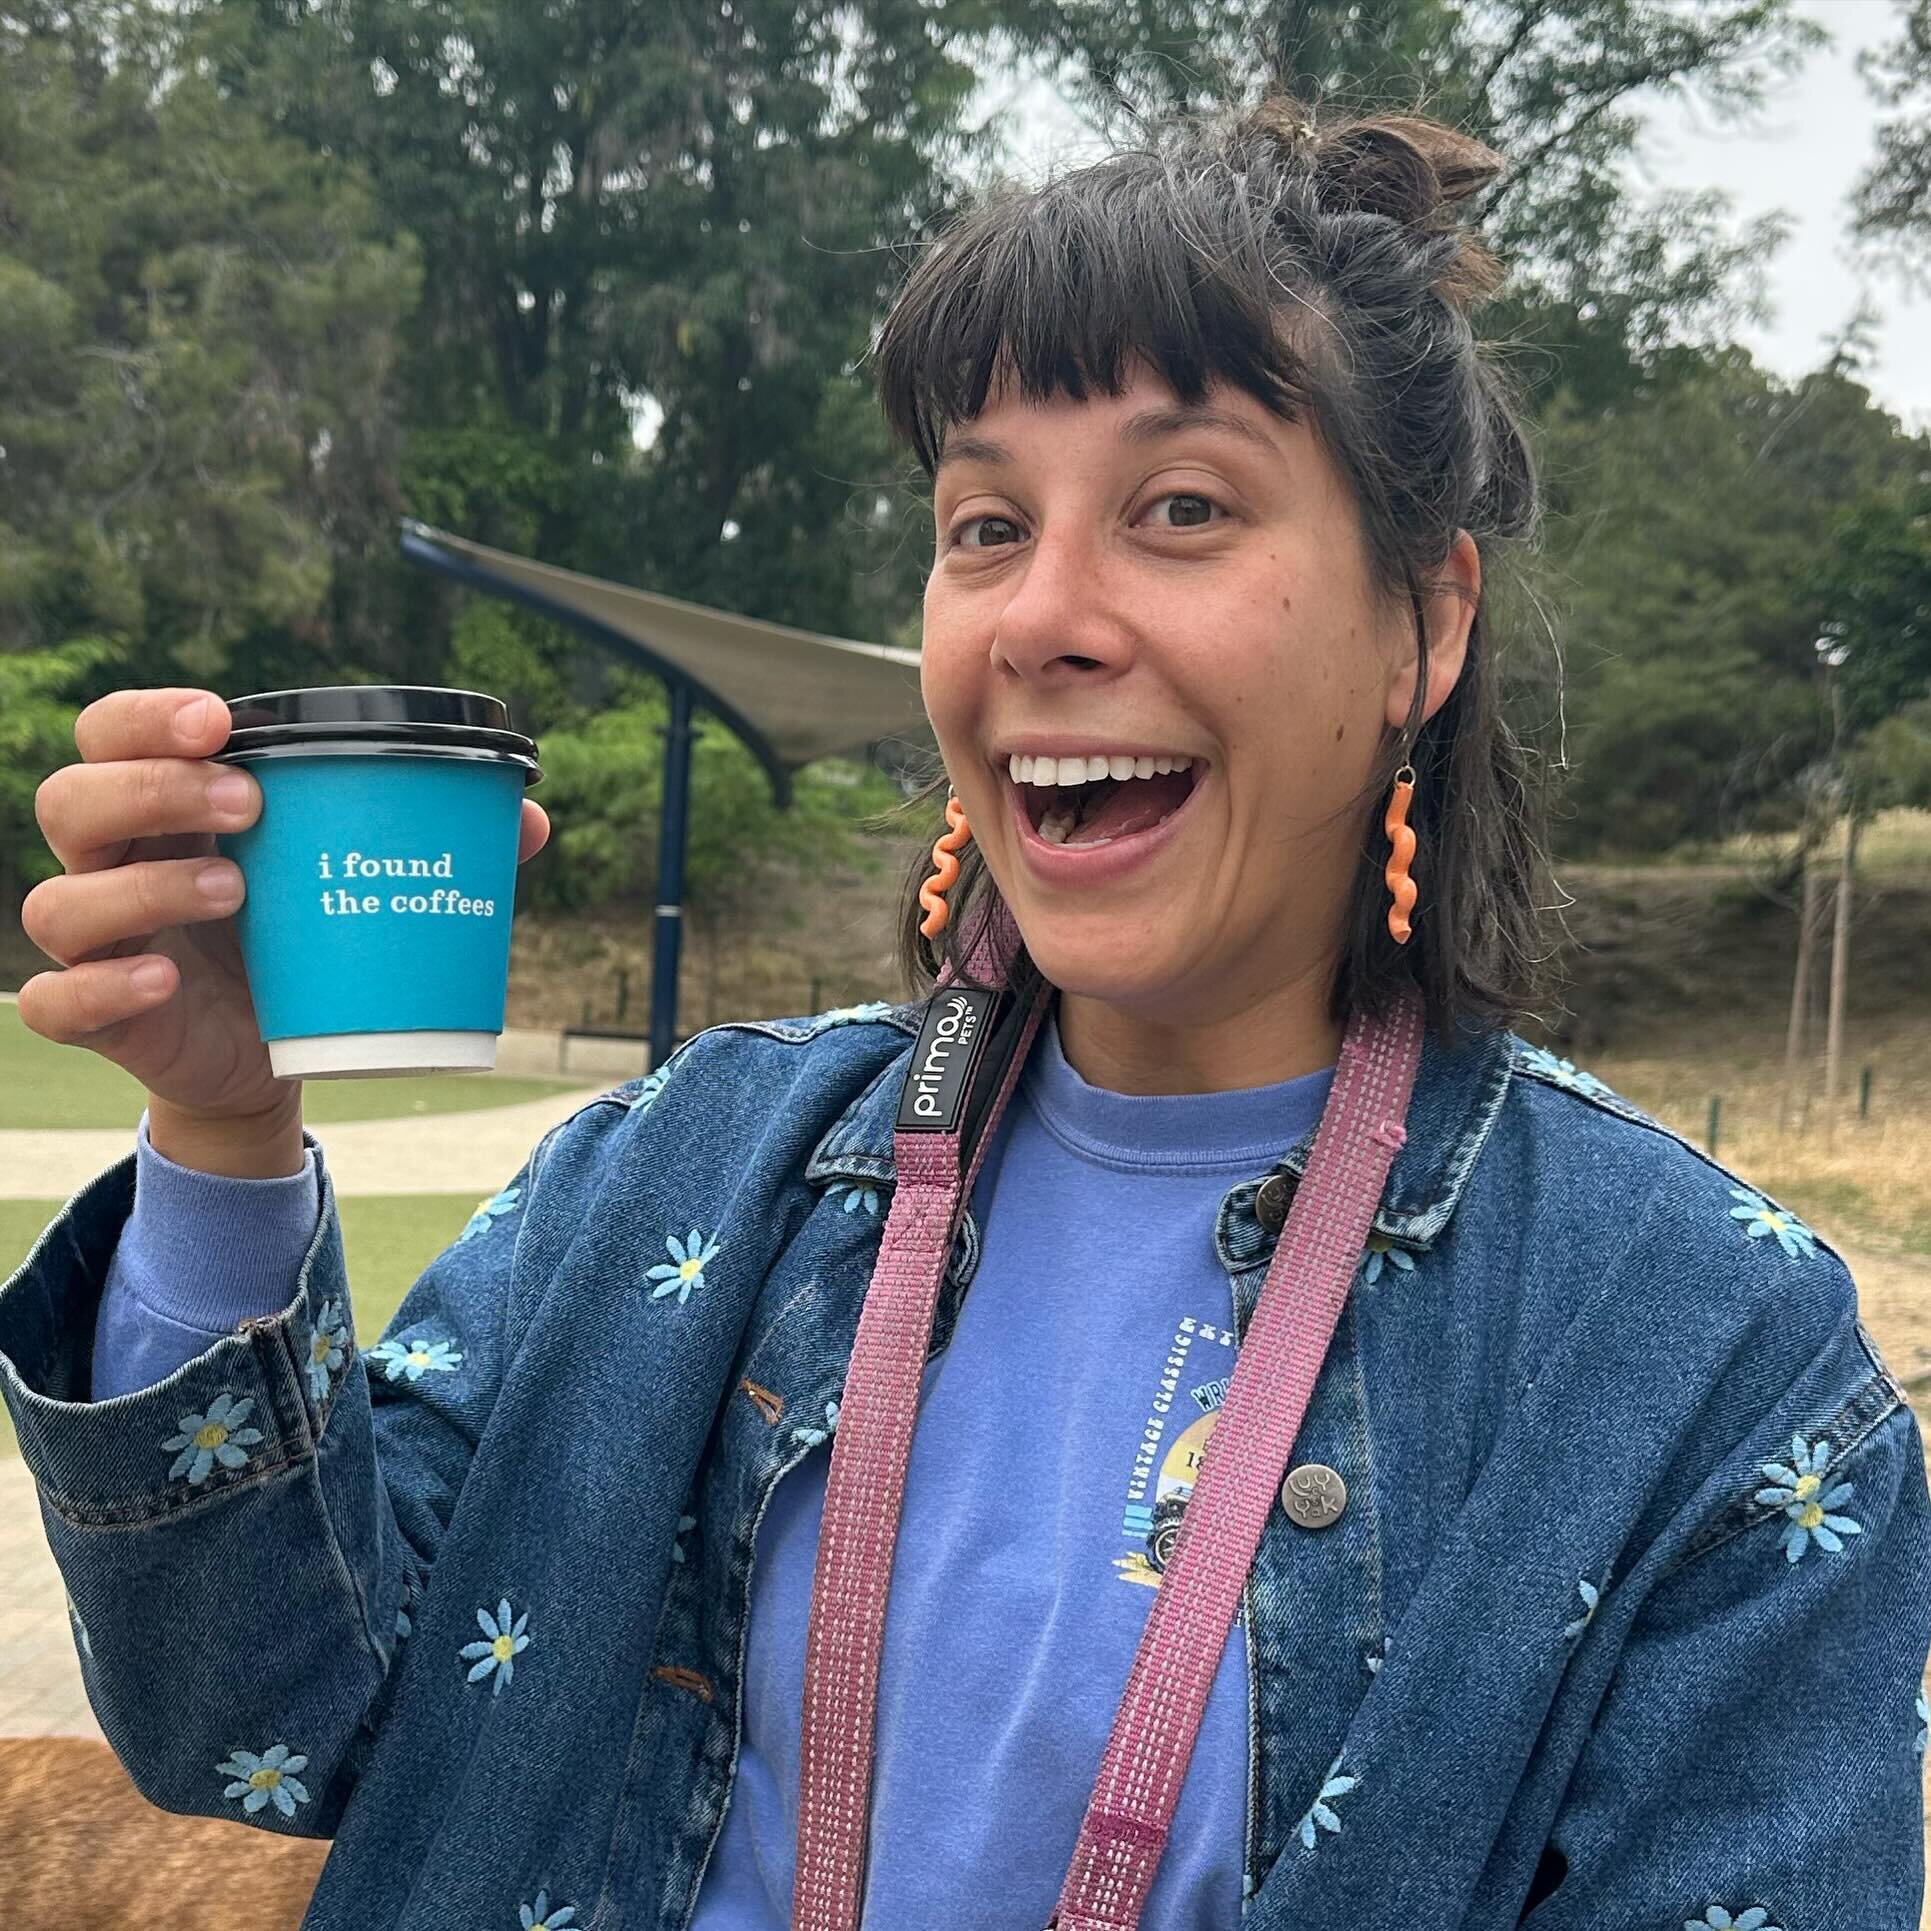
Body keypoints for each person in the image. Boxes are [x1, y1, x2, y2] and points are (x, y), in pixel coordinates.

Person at [3, 91, 1927, 1931]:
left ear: (1427, 622)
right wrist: (224, 1129)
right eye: (986, 526)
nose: (1037, 617)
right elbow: (251, 1728)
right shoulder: (681, 1176)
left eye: (1181, 507)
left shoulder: (1704, 1369)